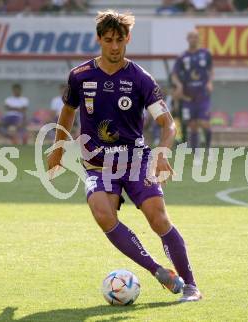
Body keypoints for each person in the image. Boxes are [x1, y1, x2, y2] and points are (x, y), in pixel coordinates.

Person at [47, 10, 202, 302]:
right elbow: (67, 113)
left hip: (136, 162)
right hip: (97, 166)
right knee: (103, 214)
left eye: (120, 40)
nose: (115, 46)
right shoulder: (80, 76)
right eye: (108, 40)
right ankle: (158, 271)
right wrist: (57, 148)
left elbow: (167, 123)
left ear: (128, 38)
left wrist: (162, 153)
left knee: (158, 219)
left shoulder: (140, 79)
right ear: (99, 40)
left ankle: (192, 286)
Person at [171, 30, 214, 163]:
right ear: (187, 39)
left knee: (205, 123)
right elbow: (174, 74)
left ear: (198, 39)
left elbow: (211, 70)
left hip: (202, 95)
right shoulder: (182, 57)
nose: (193, 39)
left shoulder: (205, 54)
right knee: (193, 125)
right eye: (191, 37)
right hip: (188, 97)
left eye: (195, 37)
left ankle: (208, 148)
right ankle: (197, 155)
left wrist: (210, 82)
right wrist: (178, 86)